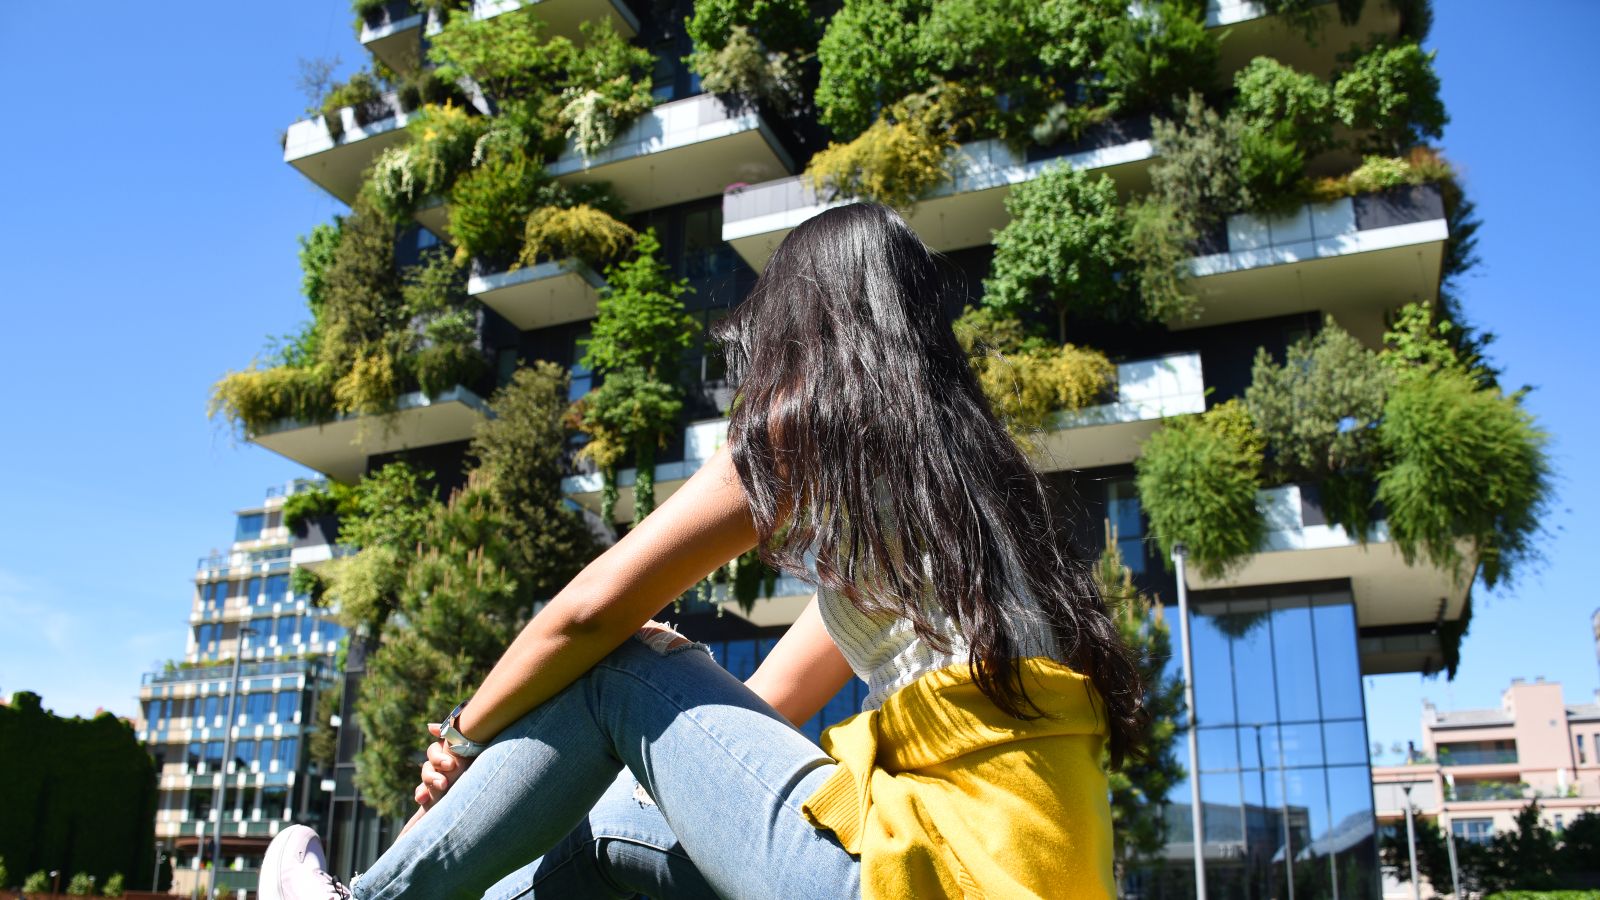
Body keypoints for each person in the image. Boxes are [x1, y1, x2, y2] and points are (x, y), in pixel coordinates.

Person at [259, 203, 1144, 900]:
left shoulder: (815, 426)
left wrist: (462, 737)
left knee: (618, 664)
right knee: (611, 836)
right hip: (993, 875)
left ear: (810, 325)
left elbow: (588, 613)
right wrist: (670, 699)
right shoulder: (966, 512)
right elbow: (763, 712)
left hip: (913, 880)